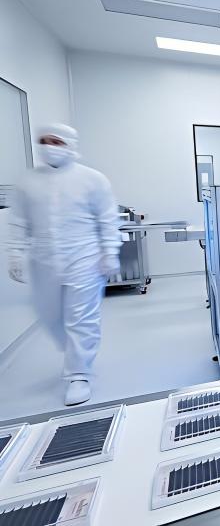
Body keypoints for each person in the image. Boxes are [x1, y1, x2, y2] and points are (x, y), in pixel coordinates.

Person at [7, 123, 122, 406]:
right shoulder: (27, 181)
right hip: (43, 258)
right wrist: (14, 252)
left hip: (84, 256)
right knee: (47, 313)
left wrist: (110, 251)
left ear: (70, 143)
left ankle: (79, 374)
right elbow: (19, 220)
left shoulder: (93, 179)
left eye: (55, 141)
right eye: (43, 141)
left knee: (82, 317)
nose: (49, 146)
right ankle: (73, 350)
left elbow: (108, 218)